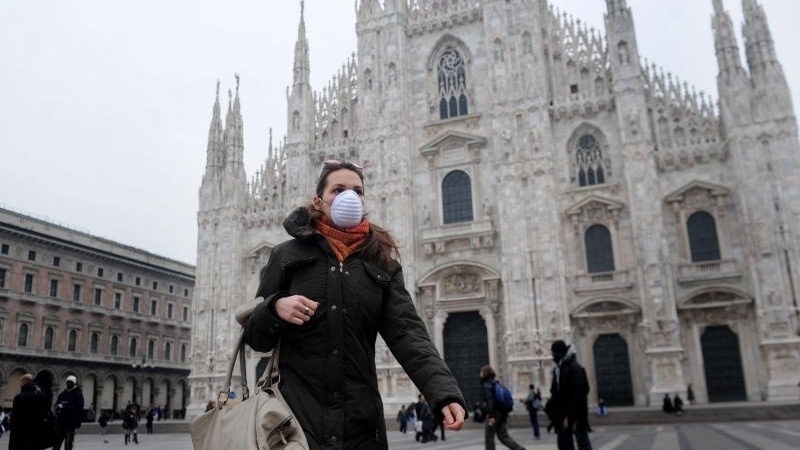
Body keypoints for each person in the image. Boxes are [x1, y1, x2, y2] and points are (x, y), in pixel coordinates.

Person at [242, 159, 467, 449]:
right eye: (338, 189)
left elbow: (407, 333)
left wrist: (443, 392)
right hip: (296, 422)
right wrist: (275, 308)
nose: (350, 197)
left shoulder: (381, 263)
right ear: (319, 200)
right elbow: (255, 337)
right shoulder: (287, 255)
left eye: (357, 191)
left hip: (360, 423)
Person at [549, 340, 593, 450]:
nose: (553, 356)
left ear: (560, 353)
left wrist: (569, 416)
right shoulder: (558, 369)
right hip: (563, 413)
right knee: (564, 442)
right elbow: (555, 392)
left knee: (582, 440)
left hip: (576, 413)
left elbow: (581, 393)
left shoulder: (575, 368)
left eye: (554, 353)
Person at [480, 365, 526, 450]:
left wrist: (491, 416)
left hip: (494, 414)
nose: (480, 374)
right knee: (503, 436)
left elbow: (490, 401)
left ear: (484, 373)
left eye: (481, 372)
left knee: (489, 437)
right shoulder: (496, 382)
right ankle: (519, 449)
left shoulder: (487, 384)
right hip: (502, 413)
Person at [9, 373, 53, 450]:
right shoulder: (42, 396)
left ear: (23, 383)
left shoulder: (19, 397)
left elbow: (14, 421)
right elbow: (46, 415)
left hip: (22, 436)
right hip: (36, 435)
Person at [53, 375, 84, 450]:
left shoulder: (78, 394)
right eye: (67, 382)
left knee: (68, 443)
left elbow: (78, 406)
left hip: (70, 423)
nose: (68, 384)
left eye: (71, 382)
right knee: (57, 442)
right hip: (61, 422)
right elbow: (57, 403)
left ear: (74, 383)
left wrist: (65, 407)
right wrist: (57, 407)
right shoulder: (63, 393)